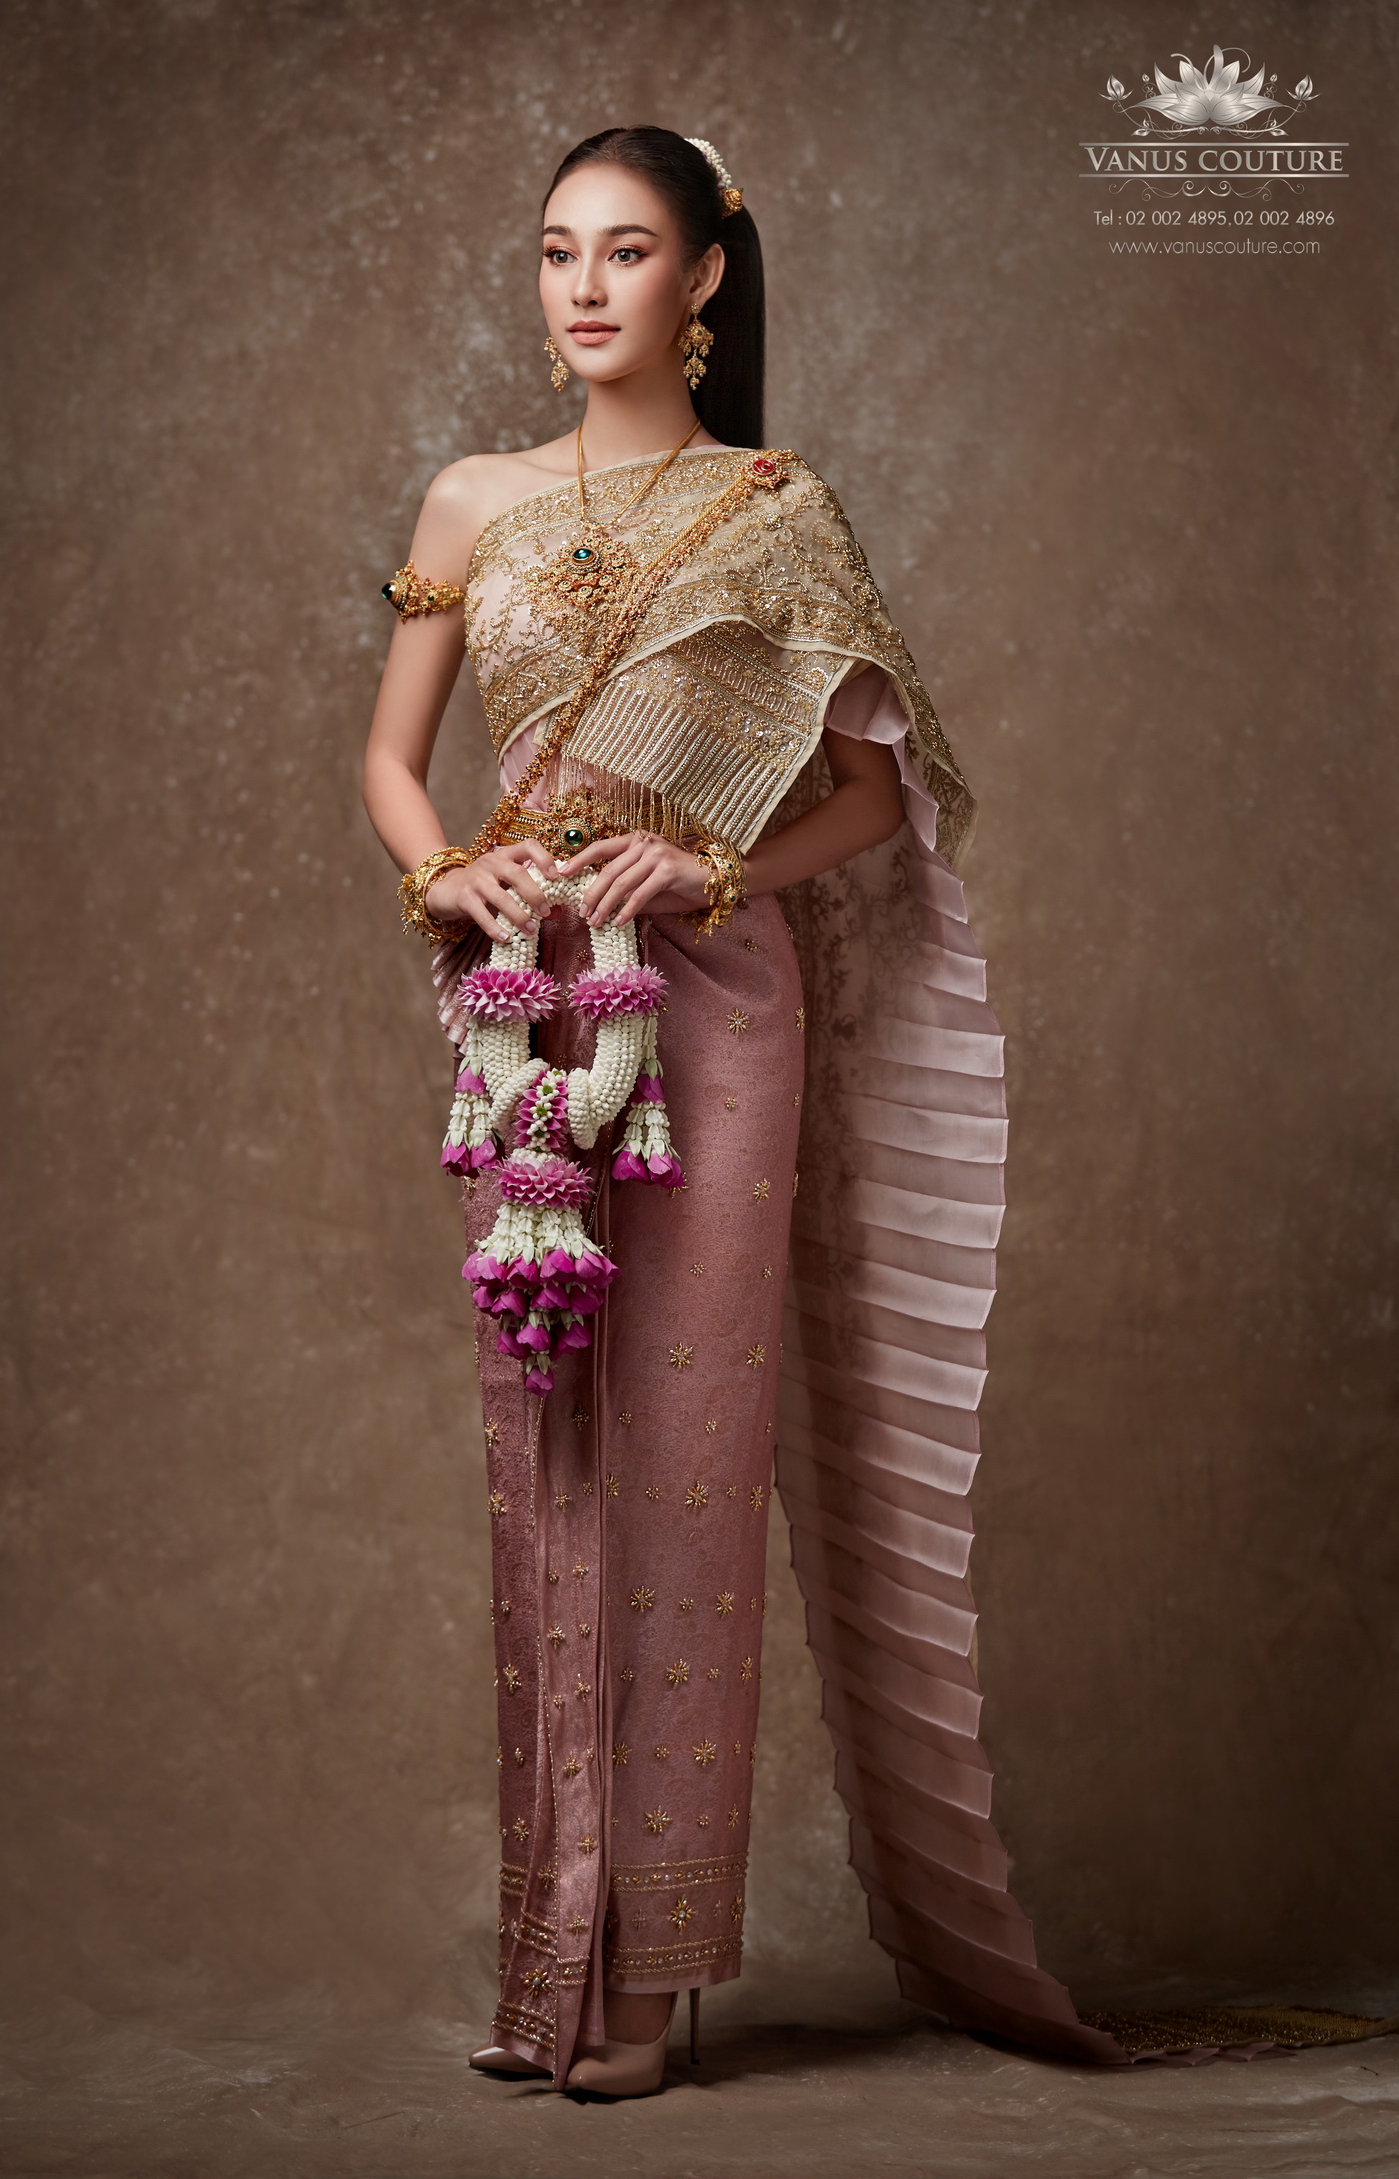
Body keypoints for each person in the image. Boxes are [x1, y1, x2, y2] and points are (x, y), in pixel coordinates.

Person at [363, 126, 1118, 2096]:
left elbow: (875, 797)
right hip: (524, 1005)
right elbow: (393, 764)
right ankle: (550, 1964)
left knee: (688, 1461)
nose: (583, 287)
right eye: (557, 251)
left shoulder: (774, 514)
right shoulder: (474, 496)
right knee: (548, 1450)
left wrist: (704, 869)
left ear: (704, 277)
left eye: (627, 252)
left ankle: (650, 1981)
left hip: (716, 1003)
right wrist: (449, 872)